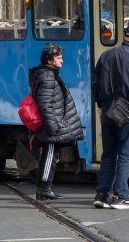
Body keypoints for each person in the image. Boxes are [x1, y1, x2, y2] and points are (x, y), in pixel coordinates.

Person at [92, 25, 129, 210]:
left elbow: (95, 84)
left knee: (108, 154)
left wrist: (100, 107)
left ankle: (101, 194)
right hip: (128, 112)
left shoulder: (105, 56)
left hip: (108, 110)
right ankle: (120, 196)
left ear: (124, 37)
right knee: (126, 153)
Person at [30, 44, 84, 201]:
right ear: (49, 60)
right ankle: (44, 188)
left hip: (53, 124)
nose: (62, 61)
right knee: (49, 156)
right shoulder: (47, 77)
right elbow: (45, 105)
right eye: (59, 58)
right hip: (52, 126)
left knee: (52, 155)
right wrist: (53, 128)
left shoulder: (49, 75)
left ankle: (44, 189)